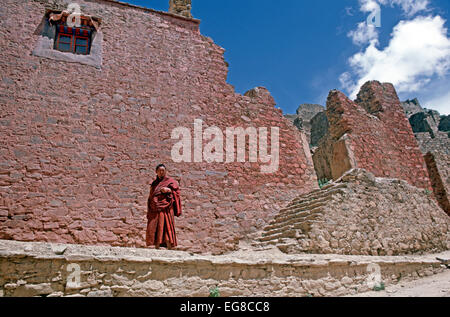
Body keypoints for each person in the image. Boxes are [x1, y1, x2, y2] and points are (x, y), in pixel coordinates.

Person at [146, 164, 182, 250]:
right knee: (153, 225)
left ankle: (165, 244)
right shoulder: (154, 183)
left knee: (165, 225)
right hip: (154, 208)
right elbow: (151, 195)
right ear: (156, 172)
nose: (161, 172)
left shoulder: (170, 181)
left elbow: (176, 193)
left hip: (166, 207)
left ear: (165, 171)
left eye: (163, 170)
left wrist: (168, 190)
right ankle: (153, 244)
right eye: (159, 170)